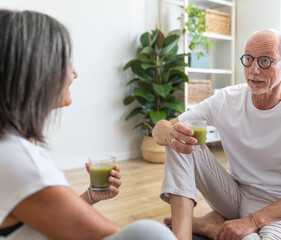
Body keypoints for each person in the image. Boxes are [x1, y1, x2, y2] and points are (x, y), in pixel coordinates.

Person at [0, 9, 176, 240]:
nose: (74, 72)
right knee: (151, 234)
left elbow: (46, 218)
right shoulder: (16, 156)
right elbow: (106, 235)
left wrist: (90, 197)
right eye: (64, 61)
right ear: (36, 70)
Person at [153, 29, 281, 240]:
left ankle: (211, 226)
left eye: (264, 60)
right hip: (231, 193)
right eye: (249, 59)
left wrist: (251, 222)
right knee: (179, 139)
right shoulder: (227, 99)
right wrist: (170, 133)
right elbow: (160, 128)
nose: (254, 70)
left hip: (279, 206)